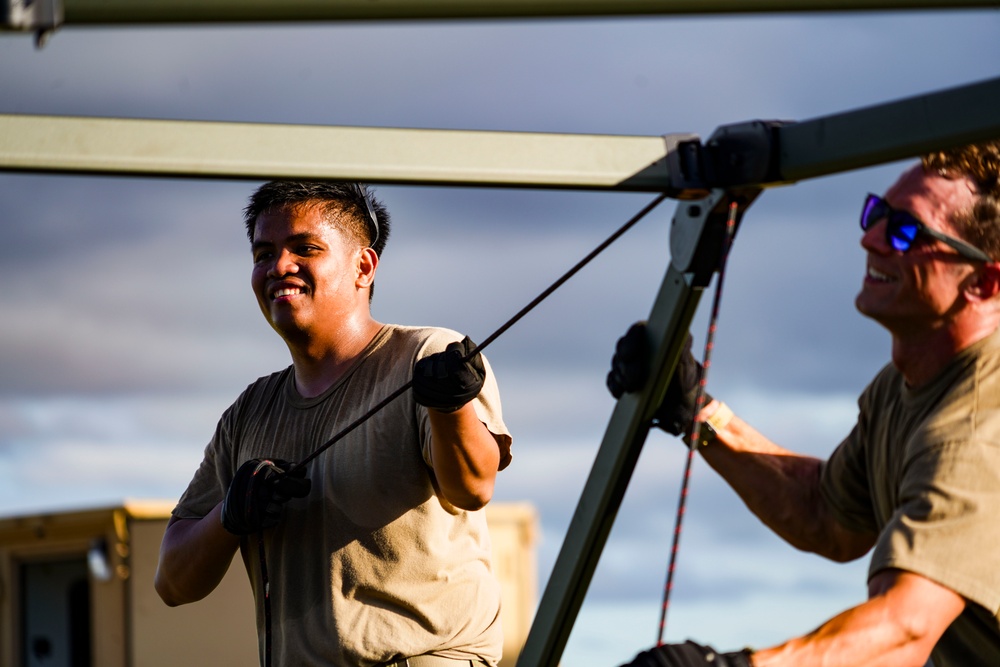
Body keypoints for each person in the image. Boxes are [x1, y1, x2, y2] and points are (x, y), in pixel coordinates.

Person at [608, 140, 1000, 667]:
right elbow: (828, 516)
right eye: (875, 213)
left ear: (984, 282)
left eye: (906, 230)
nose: (871, 239)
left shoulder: (979, 423)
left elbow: (905, 630)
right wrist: (694, 411)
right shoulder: (903, 387)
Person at [154, 181, 513, 667]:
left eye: (305, 248)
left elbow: (473, 486)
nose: (279, 267)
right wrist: (229, 516)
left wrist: (450, 407)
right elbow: (172, 583)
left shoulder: (428, 357)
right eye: (264, 253)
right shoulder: (249, 412)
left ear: (363, 266)